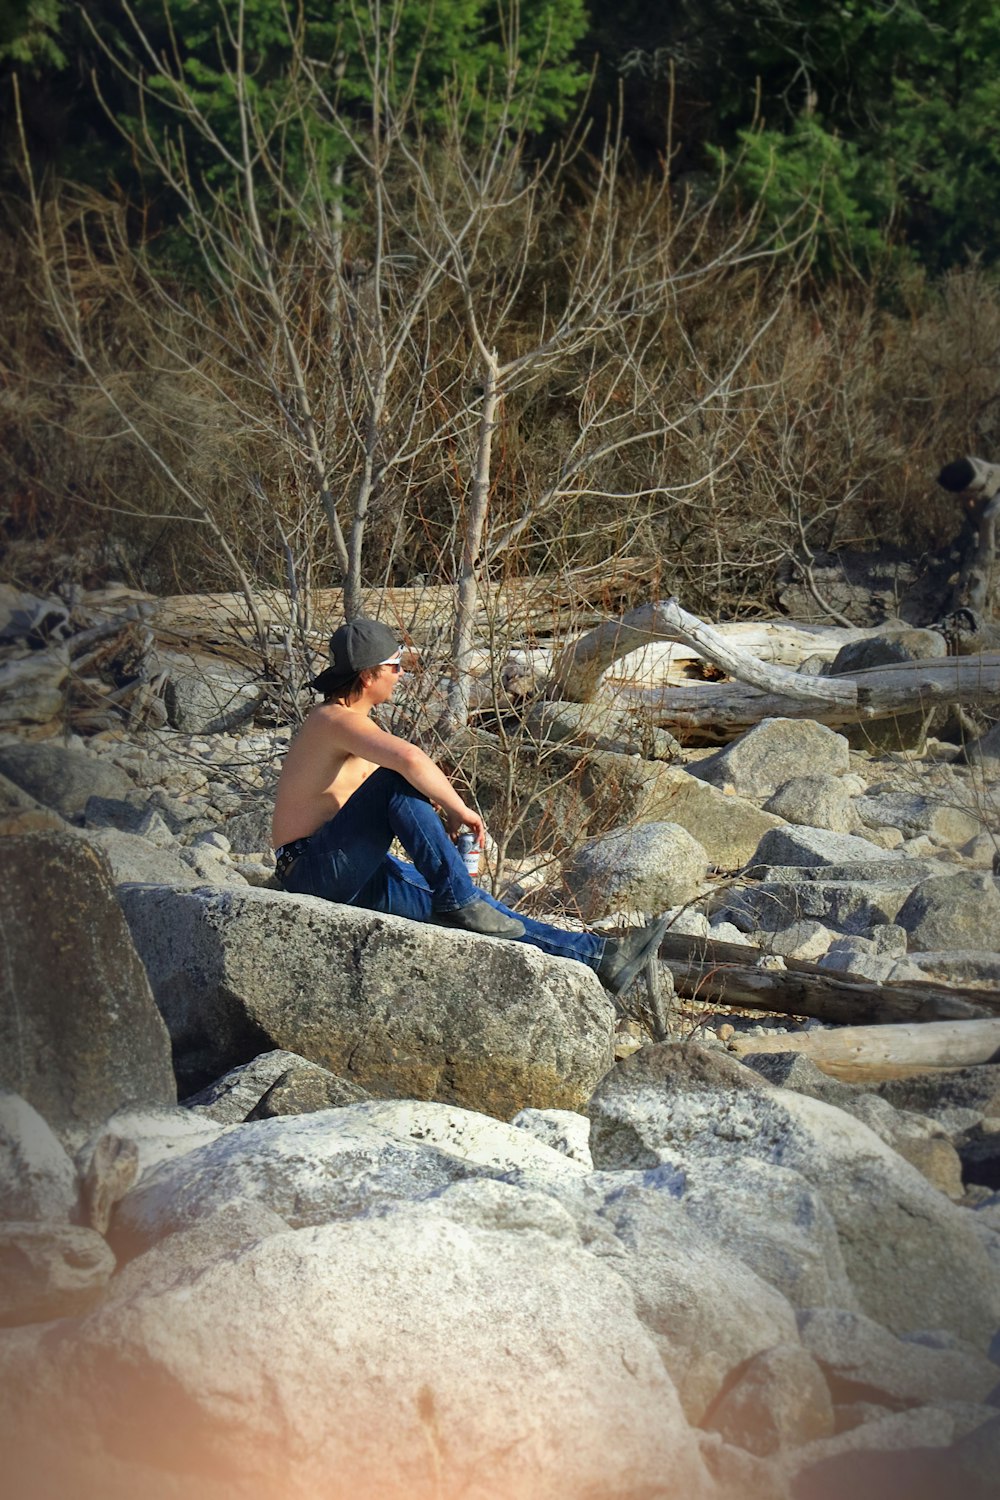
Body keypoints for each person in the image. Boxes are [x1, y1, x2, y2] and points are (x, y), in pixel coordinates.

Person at [271, 617, 668, 996]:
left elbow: (389, 804)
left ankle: (600, 958)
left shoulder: (353, 724)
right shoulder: (332, 718)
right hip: (311, 868)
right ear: (369, 675)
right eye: (395, 666)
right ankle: (459, 898)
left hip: (347, 870)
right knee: (403, 792)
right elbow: (408, 762)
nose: (402, 674)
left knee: (484, 914)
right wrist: (459, 809)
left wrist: (433, 818)